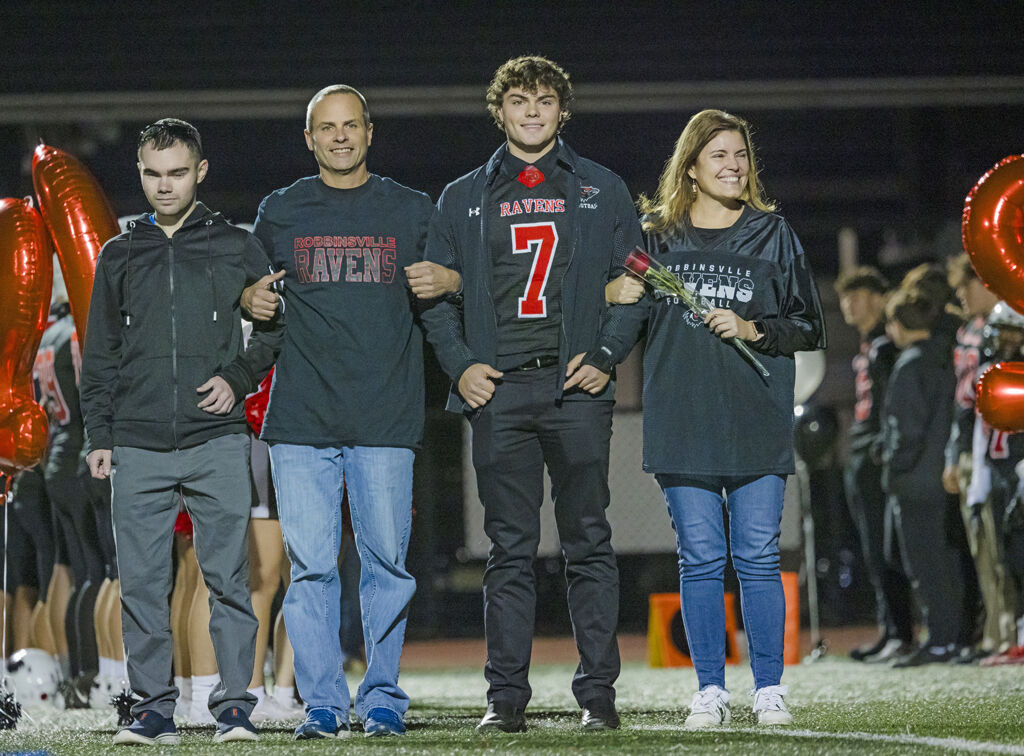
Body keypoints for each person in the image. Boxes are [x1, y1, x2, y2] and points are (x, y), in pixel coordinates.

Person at [420, 55, 641, 734]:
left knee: (588, 541)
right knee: (508, 549)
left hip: (575, 388)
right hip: (500, 391)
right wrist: (460, 366)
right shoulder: (461, 195)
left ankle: (597, 695)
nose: (533, 111)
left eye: (545, 100)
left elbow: (637, 282)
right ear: (500, 110)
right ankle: (505, 698)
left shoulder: (603, 187)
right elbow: (434, 297)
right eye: (520, 100)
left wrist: (606, 356)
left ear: (563, 110)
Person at [603, 109, 825, 727]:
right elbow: (623, 312)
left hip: (755, 418)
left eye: (741, 155)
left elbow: (810, 325)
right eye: (719, 155)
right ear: (692, 168)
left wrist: (754, 327)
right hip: (682, 419)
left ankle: (768, 688)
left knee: (756, 557)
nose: (733, 166)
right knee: (699, 559)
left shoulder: (773, 234)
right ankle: (709, 690)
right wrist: (607, 299)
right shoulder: (657, 237)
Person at [241, 84, 436, 740]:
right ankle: (322, 702)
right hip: (300, 420)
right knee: (312, 567)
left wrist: (457, 286)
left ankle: (381, 697)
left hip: (385, 418)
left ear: (369, 132)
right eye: (327, 127)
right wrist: (248, 299)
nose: (341, 136)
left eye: (351, 125)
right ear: (310, 138)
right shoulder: (280, 211)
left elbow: (445, 294)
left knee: (386, 565)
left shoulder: (411, 210)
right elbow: (249, 293)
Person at [80, 118, 282, 745]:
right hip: (136, 445)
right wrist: (99, 436)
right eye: (151, 173)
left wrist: (239, 377)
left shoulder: (235, 245)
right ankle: (151, 711)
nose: (164, 186)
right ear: (139, 173)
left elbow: (276, 326)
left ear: (200, 173)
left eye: (176, 173)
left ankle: (233, 709)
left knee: (228, 582)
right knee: (143, 585)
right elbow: (100, 353)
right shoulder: (119, 253)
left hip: (216, 439)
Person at [882, 288, 966, 666]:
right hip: (942, 476)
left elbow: (907, 432)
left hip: (916, 483)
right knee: (946, 564)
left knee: (926, 568)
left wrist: (892, 464)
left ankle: (940, 640)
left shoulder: (909, 365)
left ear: (898, 325)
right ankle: (952, 637)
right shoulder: (943, 357)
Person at [834, 268, 914, 662]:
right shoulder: (870, 343)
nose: (849, 304)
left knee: (887, 547)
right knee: (872, 547)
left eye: (859, 294)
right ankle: (890, 628)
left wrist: (881, 449)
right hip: (864, 454)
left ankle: (902, 630)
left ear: (880, 298)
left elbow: (892, 405)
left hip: (877, 457)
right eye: (846, 297)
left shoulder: (888, 343)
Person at [946, 254, 1014, 653]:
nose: (961, 295)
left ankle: (1011, 631)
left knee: (1007, 543)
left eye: (965, 286)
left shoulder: (1009, 328)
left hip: (1003, 447)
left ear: (987, 282)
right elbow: (962, 401)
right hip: (976, 444)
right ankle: (997, 633)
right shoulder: (969, 331)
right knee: (983, 546)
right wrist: (953, 454)